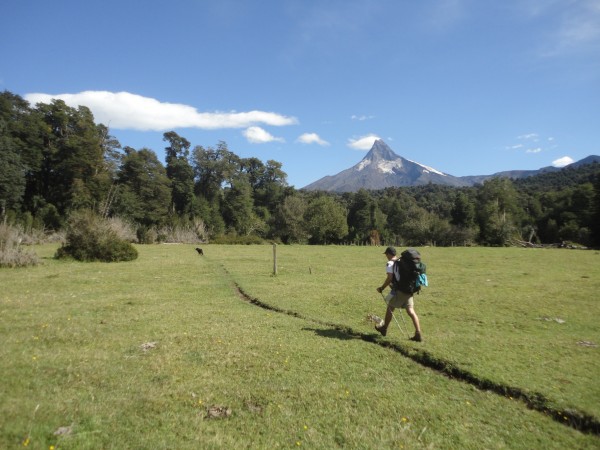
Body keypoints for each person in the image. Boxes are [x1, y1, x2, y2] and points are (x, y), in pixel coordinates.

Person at [375, 246, 422, 341]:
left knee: (390, 307)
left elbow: (390, 278)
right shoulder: (402, 261)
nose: (386, 256)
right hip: (409, 289)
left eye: (386, 254)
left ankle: (384, 329)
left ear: (388, 254)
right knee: (411, 311)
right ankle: (418, 333)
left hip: (400, 290)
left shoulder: (390, 263)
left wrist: (382, 288)